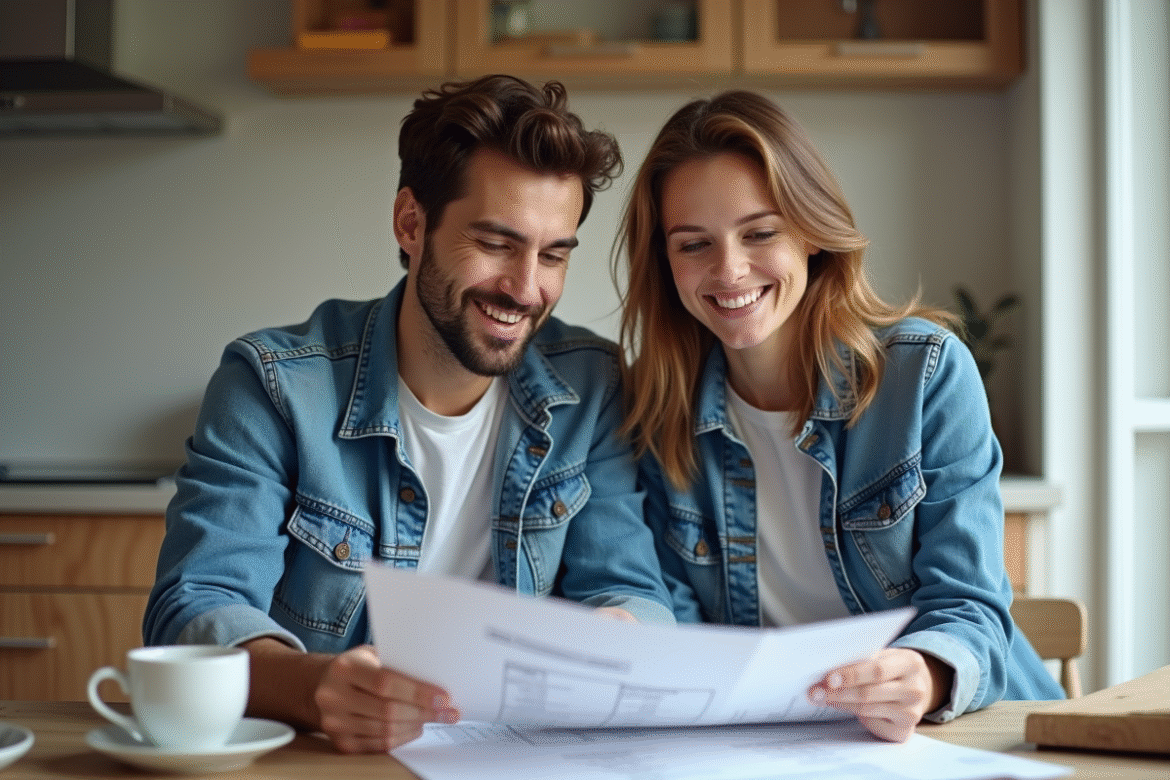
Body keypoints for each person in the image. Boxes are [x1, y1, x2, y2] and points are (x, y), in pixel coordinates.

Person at [144, 74, 675, 754]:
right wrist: (314, 687)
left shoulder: (593, 384)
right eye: (496, 244)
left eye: (553, 255)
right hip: (323, 763)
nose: (525, 287)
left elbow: (633, 593)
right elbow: (193, 609)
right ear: (411, 222)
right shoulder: (272, 385)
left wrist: (619, 633)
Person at [613, 90, 1064, 744]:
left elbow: (970, 609)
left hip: (962, 738)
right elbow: (679, 633)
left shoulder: (926, 375)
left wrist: (923, 671)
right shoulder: (656, 416)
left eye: (760, 232)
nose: (729, 269)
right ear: (665, 263)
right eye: (693, 244)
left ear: (812, 234)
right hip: (780, 749)